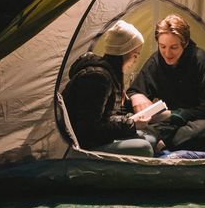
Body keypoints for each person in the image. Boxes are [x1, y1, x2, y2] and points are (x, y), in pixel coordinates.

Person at [127, 14, 205, 153]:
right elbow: (135, 90)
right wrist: (136, 96)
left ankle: (160, 142)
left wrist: (173, 115)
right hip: (170, 125)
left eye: (174, 47)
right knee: (129, 119)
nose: (167, 53)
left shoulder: (202, 62)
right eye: (162, 46)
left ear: (185, 43)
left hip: (202, 122)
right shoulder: (156, 61)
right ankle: (159, 140)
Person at [62, 20, 153, 156]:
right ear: (124, 52)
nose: (135, 61)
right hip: (86, 146)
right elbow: (89, 130)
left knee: (151, 138)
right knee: (145, 147)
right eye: (135, 55)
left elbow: (106, 117)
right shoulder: (97, 78)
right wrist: (131, 124)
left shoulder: (108, 74)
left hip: (97, 139)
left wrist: (130, 120)